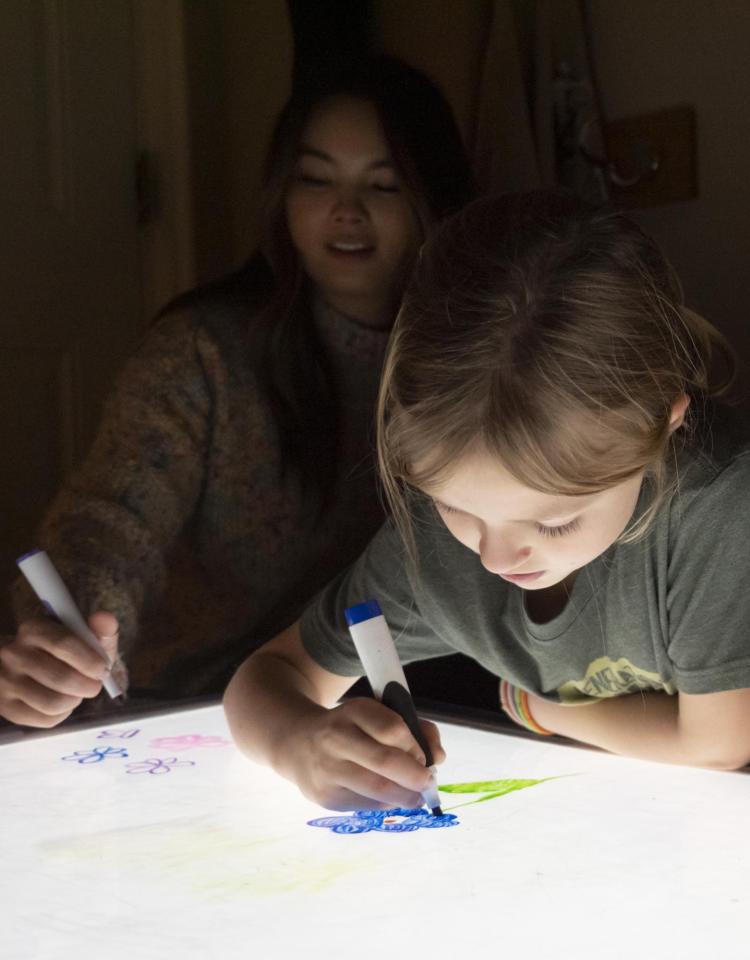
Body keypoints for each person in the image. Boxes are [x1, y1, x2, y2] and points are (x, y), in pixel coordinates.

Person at [223, 190, 750, 813]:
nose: (496, 553)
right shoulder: (430, 547)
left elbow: (719, 741)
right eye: (459, 508)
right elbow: (265, 680)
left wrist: (537, 708)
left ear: (662, 427)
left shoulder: (718, 507)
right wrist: (300, 741)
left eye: (555, 522)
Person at [3, 56, 474, 728]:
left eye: (385, 184)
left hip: (414, 706)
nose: (346, 210)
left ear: (434, 197)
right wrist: (75, 629)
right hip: (197, 703)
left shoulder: (478, 357)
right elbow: (110, 518)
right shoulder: (203, 351)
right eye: (315, 179)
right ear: (280, 194)